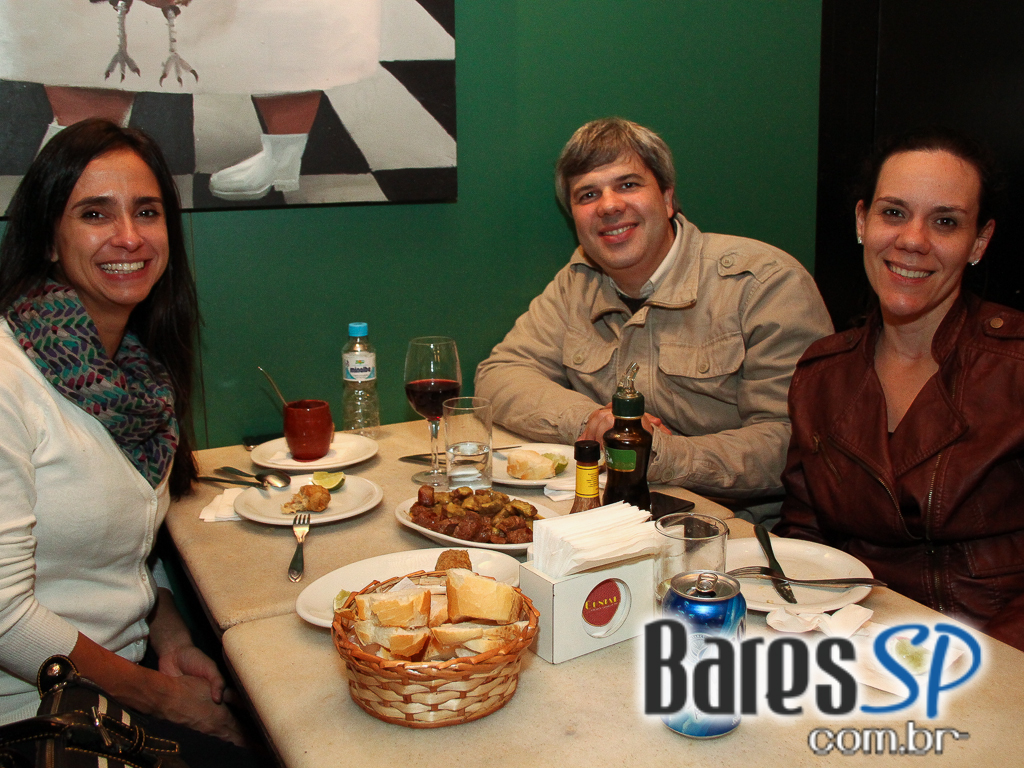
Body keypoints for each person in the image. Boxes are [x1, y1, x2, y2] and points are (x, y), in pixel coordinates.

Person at [0, 119, 249, 753]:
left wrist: (169, 639)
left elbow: (123, 555)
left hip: (121, 686)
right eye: (94, 213)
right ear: (50, 239)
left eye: (147, 211)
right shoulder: (9, 380)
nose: (130, 237)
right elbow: (4, 621)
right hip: (32, 717)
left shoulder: (137, 374)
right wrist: (167, 702)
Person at [475, 117, 833, 520]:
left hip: (741, 531)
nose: (609, 205)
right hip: (611, 518)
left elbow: (793, 443)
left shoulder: (764, 285)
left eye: (628, 184)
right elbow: (500, 374)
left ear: (667, 197)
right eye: (588, 194)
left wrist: (659, 453)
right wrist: (597, 423)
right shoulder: (576, 282)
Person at [774, 127, 1024, 651]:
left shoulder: (1015, 365)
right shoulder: (822, 373)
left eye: (946, 222)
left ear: (979, 242)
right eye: (893, 212)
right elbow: (804, 539)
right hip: (852, 639)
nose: (913, 240)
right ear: (862, 221)